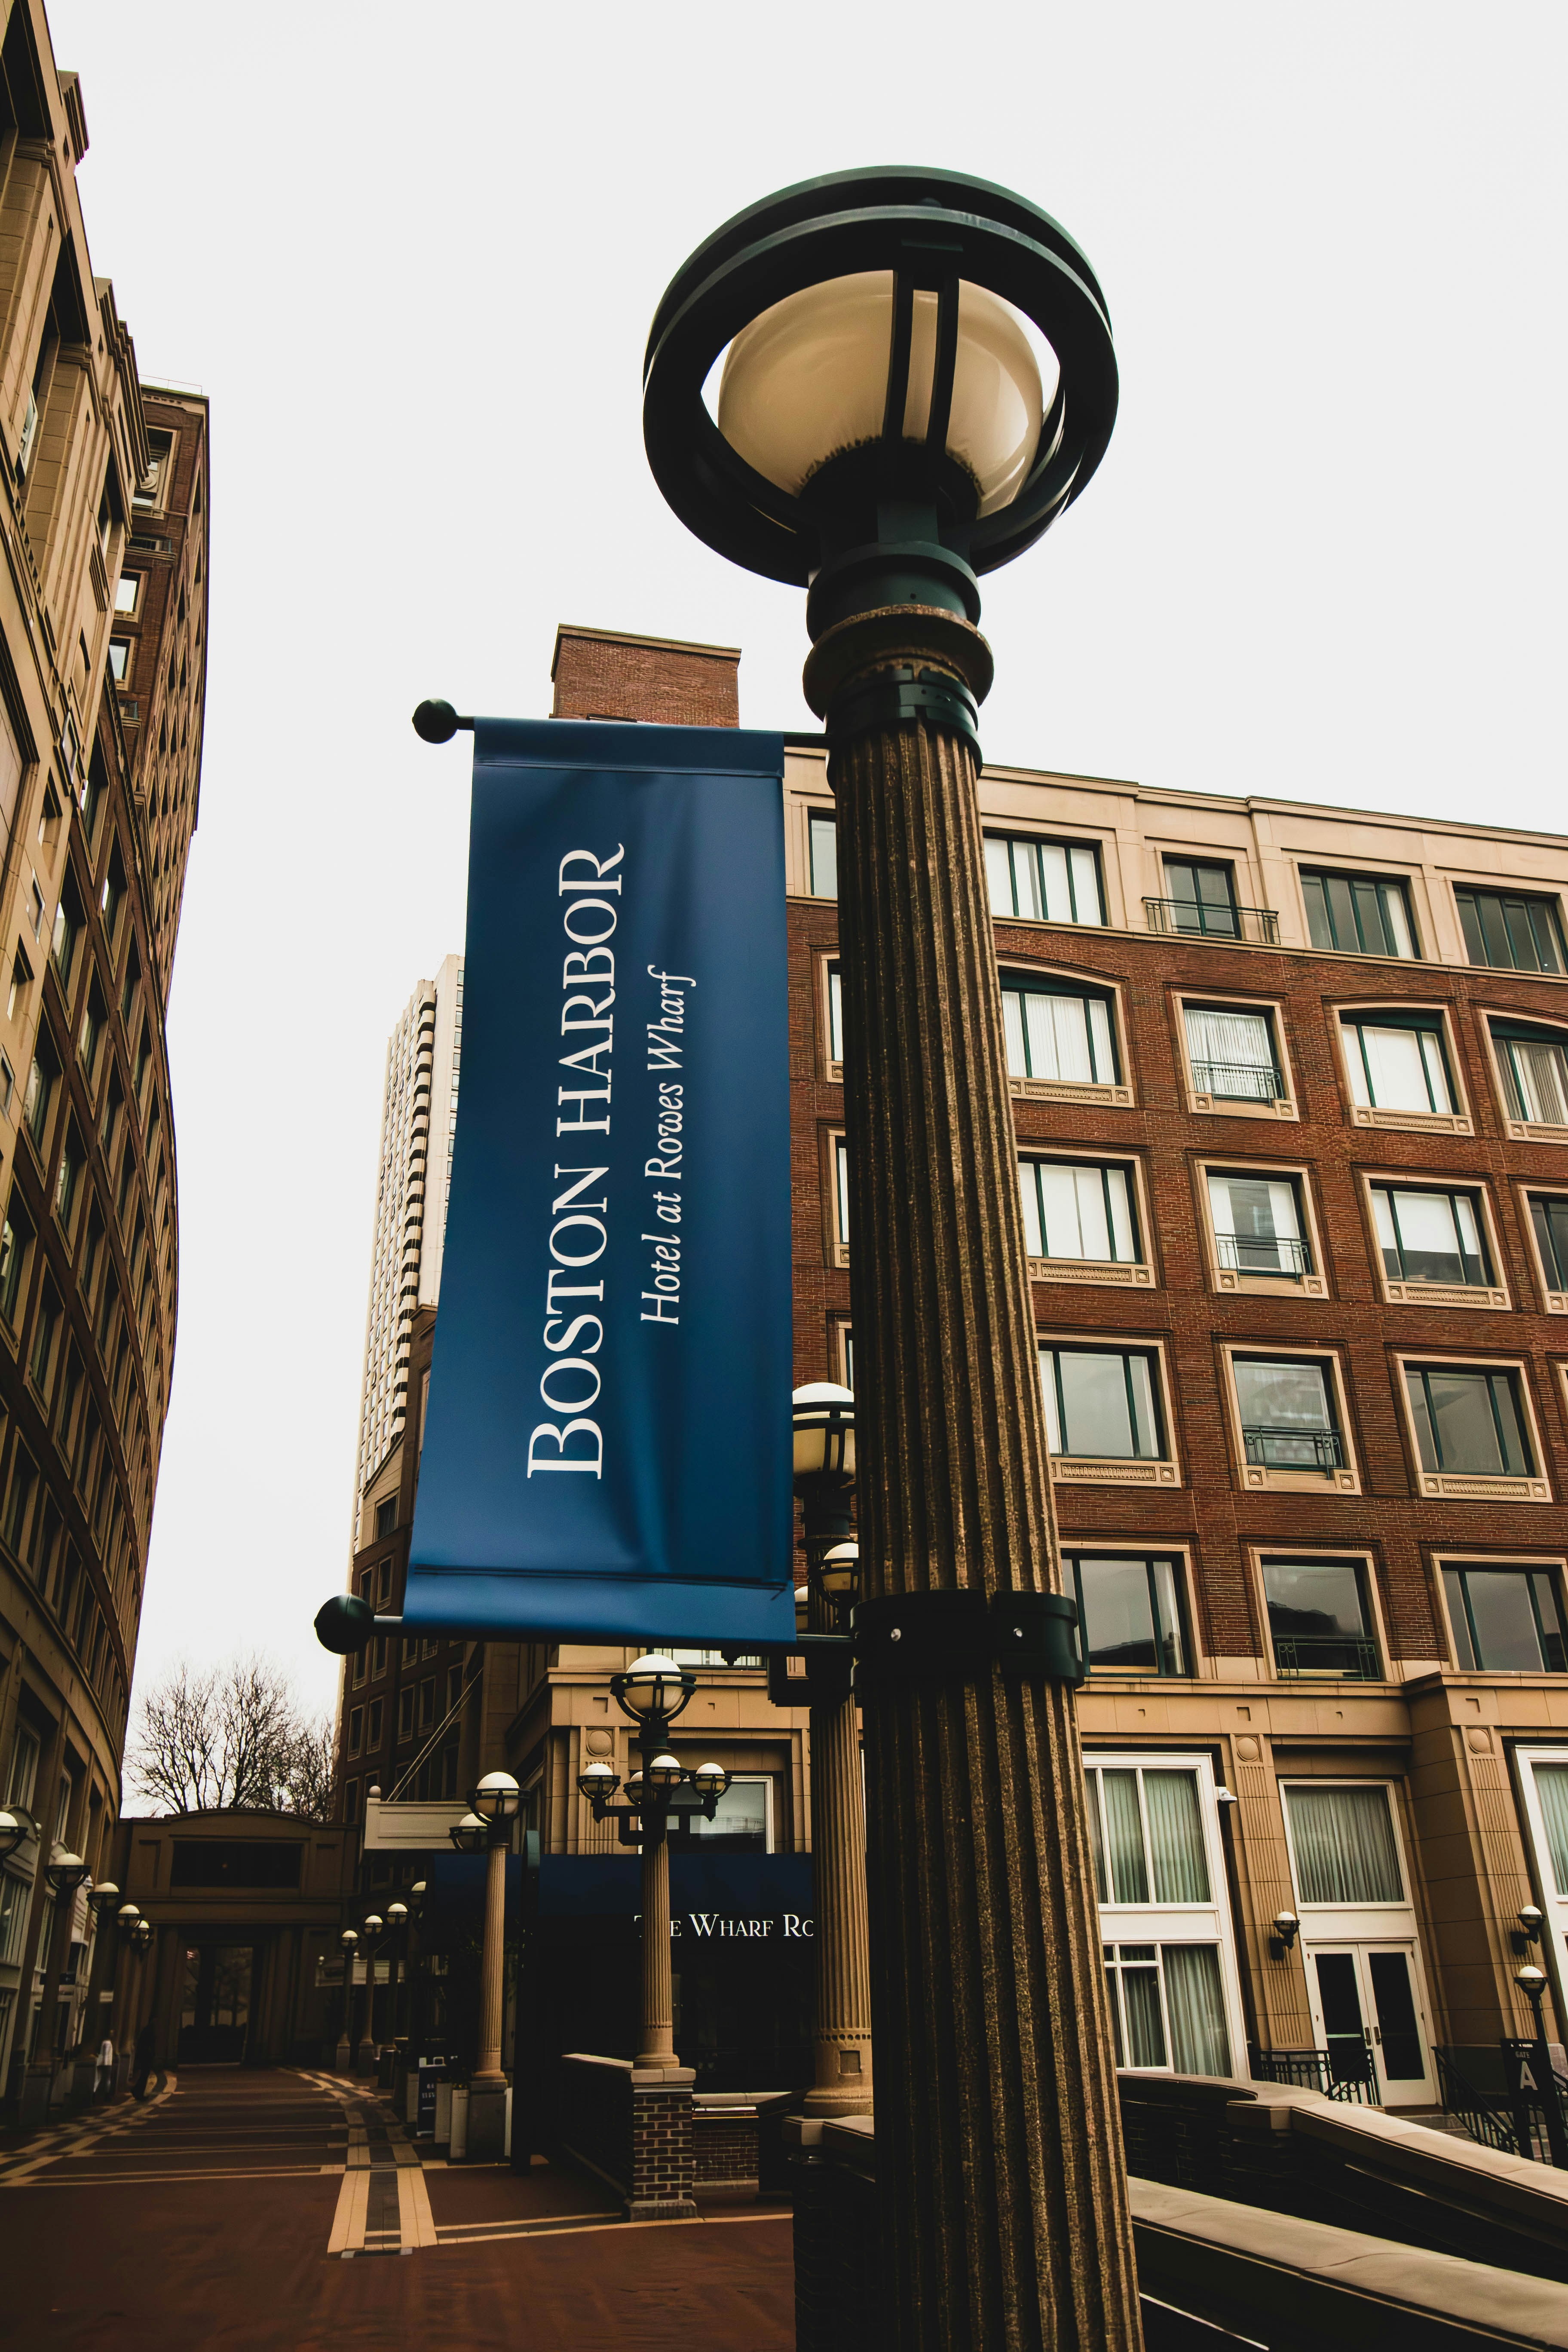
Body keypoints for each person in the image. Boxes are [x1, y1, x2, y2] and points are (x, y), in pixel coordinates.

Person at [131, 2019, 157, 2099]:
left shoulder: (147, 2030)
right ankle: (139, 2092)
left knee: (144, 2075)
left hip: (144, 2055)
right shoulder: (150, 2031)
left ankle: (138, 2091)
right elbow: (151, 2044)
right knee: (145, 2075)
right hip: (146, 2056)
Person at [93, 2033, 115, 2098]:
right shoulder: (108, 2043)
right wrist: (105, 2064)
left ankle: (94, 2093)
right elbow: (106, 2054)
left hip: (100, 2062)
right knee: (108, 2079)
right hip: (107, 2063)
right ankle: (107, 2095)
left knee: (98, 2079)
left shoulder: (103, 2043)